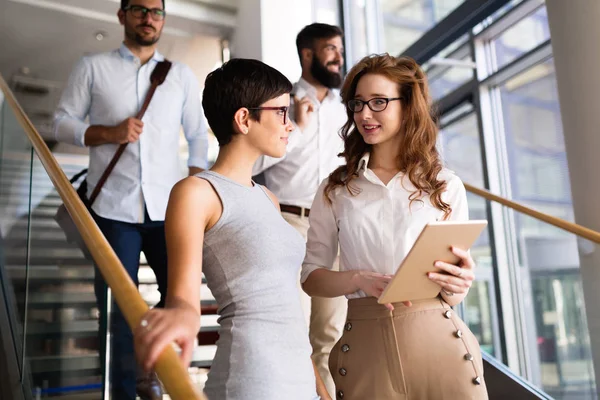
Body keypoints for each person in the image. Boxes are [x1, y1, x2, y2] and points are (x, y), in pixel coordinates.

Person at [133, 58, 331, 400]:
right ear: (244, 119)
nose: (291, 124)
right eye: (282, 113)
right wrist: (181, 315)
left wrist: (321, 392)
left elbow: (285, 309)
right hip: (252, 378)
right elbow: (182, 297)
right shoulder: (196, 192)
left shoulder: (268, 198)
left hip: (301, 379)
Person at [301, 54, 489, 399]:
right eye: (358, 104)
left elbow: (453, 294)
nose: (364, 115)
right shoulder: (336, 190)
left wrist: (460, 283)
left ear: (408, 106)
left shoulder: (446, 186)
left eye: (378, 102)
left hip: (442, 345)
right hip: (365, 349)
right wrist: (357, 279)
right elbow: (311, 277)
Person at [52, 1, 208, 398]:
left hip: (169, 208)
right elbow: (62, 122)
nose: (149, 18)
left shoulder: (181, 75)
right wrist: (109, 133)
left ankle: (164, 376)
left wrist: (194, 186)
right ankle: (122, 392)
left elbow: (197, 137)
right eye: (139, 9)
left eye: (157, 12)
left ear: (163, 20)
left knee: (179, 297)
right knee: (118, 310)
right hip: (112, 208)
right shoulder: (92, 66)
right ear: (122, 16)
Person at [252, 23, 348, 397]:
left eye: (340, 49)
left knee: (331, 333)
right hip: (289, 222)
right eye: (330, 49)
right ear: (308, 55)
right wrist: (300, 131)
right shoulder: (280, 103)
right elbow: (252, 161)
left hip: (335, 228)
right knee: (292, 329)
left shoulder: (348, 112)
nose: (338, 57)